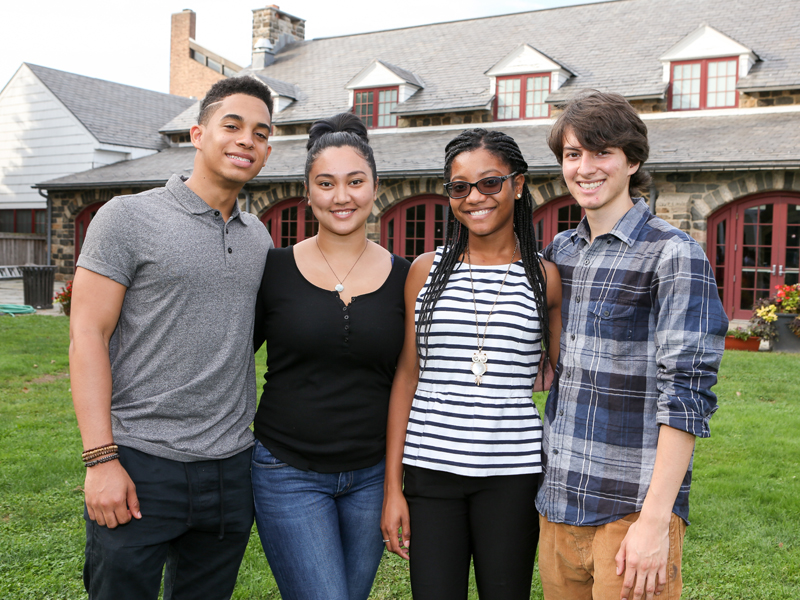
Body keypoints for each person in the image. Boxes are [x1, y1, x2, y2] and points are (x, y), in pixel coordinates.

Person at [69, 76, 274, 600]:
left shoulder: (259, 238)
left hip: (231, 468)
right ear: (197, 134)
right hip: (139, 463)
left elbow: (236, 337)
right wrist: (100, 459)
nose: (247, 139)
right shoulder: (127, 218)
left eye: (261, 132)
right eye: (232, 125)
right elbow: (87, 334)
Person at [535, 91, 728, 600]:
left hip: (631, 512)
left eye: (601, 152)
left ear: (632, 160)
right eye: (573, 154)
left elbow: (686, 395)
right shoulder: (560, 252)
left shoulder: (674, 254)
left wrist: (655, 522)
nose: (585, 167)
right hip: (558, 504)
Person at [381, 128, 562, 600]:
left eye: (489, 183)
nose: (474, 197)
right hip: (430, 471)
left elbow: (564, 372)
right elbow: (407, 375)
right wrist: (392, 488)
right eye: (459, 187)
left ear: (517, 185)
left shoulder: (544, 278)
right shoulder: (424, 271)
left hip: (512, 476)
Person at [251, 112, 410, 600]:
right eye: (327, 183)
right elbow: (224, 356)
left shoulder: (407, 277)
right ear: (308, 192)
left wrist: (395, 486)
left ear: (375, 186)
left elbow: (415, 381)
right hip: (287, 471)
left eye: (355, 181)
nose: (342, 197)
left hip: (373, 476)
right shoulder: (273, 269)